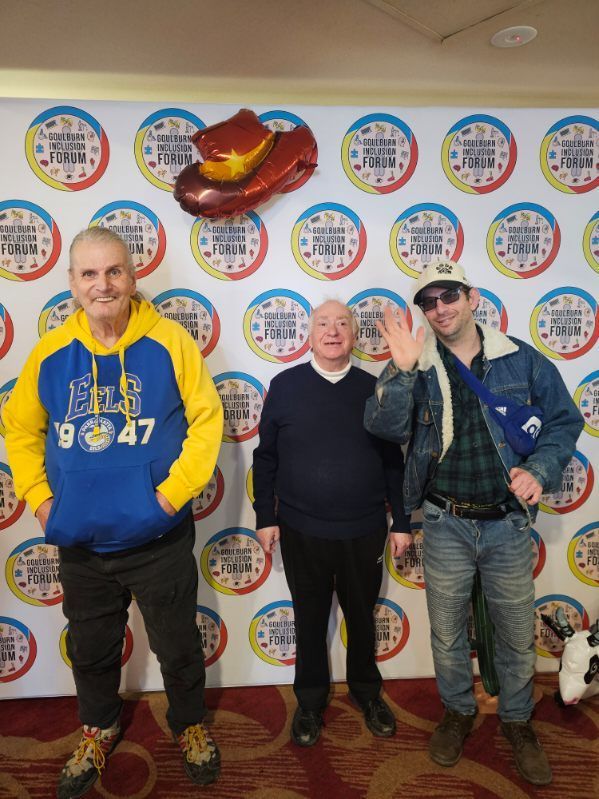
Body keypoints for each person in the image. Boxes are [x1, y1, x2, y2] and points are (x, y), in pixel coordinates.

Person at [4, 227, 224, 797]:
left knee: (177, 643)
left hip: (159, 539)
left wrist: (169, 497)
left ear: (132, 276)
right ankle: (98, 728)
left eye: (113, 271)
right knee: (92, 648)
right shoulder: (50, 352)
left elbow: (207, 421)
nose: (102, 285)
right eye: (89, 274)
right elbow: (20, 429)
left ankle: (188, 723)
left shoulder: (171, 342)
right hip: (81, 542)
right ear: (71, 283)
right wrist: (42, 501)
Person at [364, 260, 583, 786]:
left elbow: (564, 420)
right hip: (446, 521)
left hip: (508, 525)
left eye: (449, 296)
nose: (440, 309)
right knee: (446, 632)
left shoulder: (519, 358)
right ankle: (459, 710)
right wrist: (401, 372)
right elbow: (384, 427)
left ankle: (517, 719)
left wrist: (539, 470)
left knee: (515, 631)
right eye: (429, 301)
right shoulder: (416, 361)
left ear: (472, 297)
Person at [252, 299, 411, 747]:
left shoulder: (375, 388)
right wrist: (265, 516)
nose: (333, 330)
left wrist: (402, 520)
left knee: (362, 618)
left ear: (355, 335)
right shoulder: (285, 386)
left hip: (364, 529)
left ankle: (367, 693)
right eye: (323, 323)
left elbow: (393, 461)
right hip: (301, 530)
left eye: (343, 322)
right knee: (308, 620)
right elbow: (266, 458)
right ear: (309, 335)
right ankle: (309, 700)